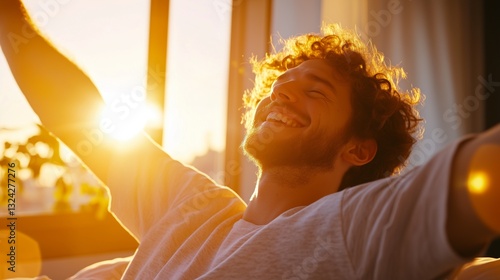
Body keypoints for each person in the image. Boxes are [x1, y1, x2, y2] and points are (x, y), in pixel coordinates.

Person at [1, 0, 499, 279]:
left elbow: (478, 174)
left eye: (315, 91)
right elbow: (77, 116)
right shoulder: (190, 204)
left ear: (358, 148)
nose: (281, 92)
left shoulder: (349, 228)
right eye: (280, 84)